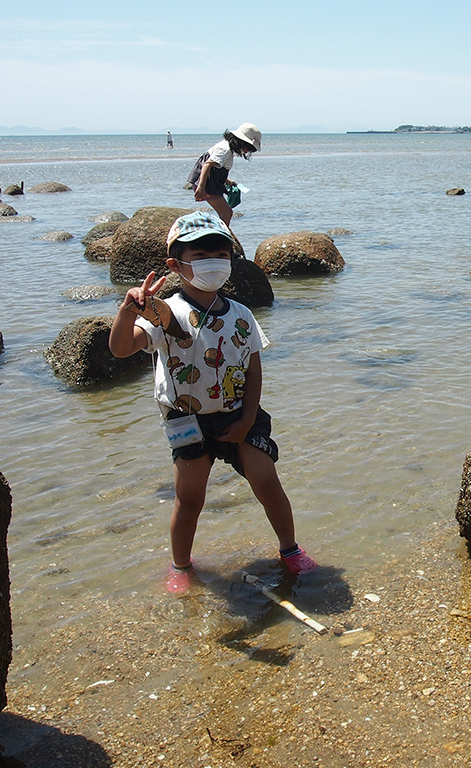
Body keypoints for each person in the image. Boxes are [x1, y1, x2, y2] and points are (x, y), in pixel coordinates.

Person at [108, 211, 316, 593]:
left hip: (240, 414)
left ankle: (290, 549)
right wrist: (128, 311)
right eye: (202, 256)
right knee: (189, 500)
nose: (214, 263)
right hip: (188, 421)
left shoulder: (242, 315)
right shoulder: (165, 312)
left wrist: (248, 417)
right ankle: (181, 566)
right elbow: (122, 349)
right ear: (176, 265)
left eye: (222, 255)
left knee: (268, 483)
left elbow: (253, 370)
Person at [186, 123, 261, 226]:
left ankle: (221, 232)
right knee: (226, 212)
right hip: (207, 183)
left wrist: (227, 180)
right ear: (241, 142)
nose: (247, 151)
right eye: (248, 148)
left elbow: (217, 168)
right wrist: (201, 187)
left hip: (211, 181)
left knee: (226, 212)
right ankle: (221, 236)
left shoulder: (227, 148)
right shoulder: (225, 150)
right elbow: (207, 165)